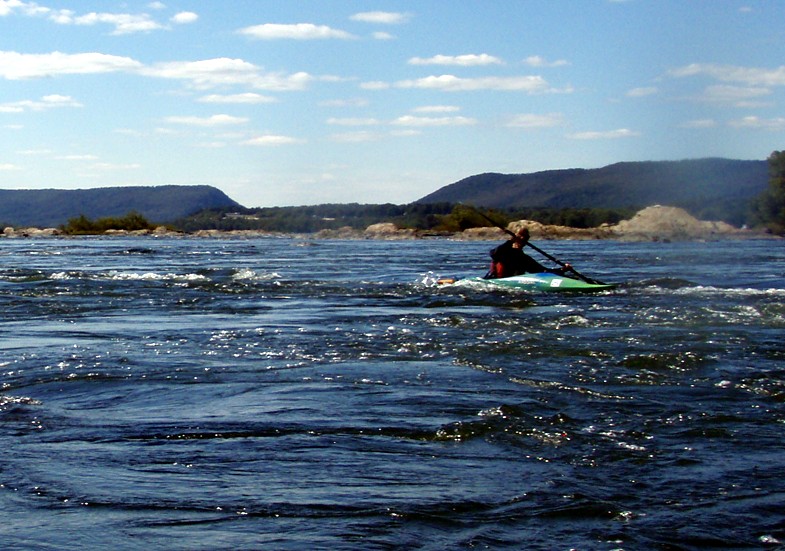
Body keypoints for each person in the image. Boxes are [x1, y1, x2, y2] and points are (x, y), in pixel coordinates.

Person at [484, 227, 571, 279]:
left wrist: (562, 270)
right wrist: (510, 241)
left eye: (525, 237)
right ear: (514, 237)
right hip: (496, 282)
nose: (523, 238)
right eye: (520, 236)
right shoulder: (503, 252)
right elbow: (493, 254)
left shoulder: (523, 258)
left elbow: (542, 271)